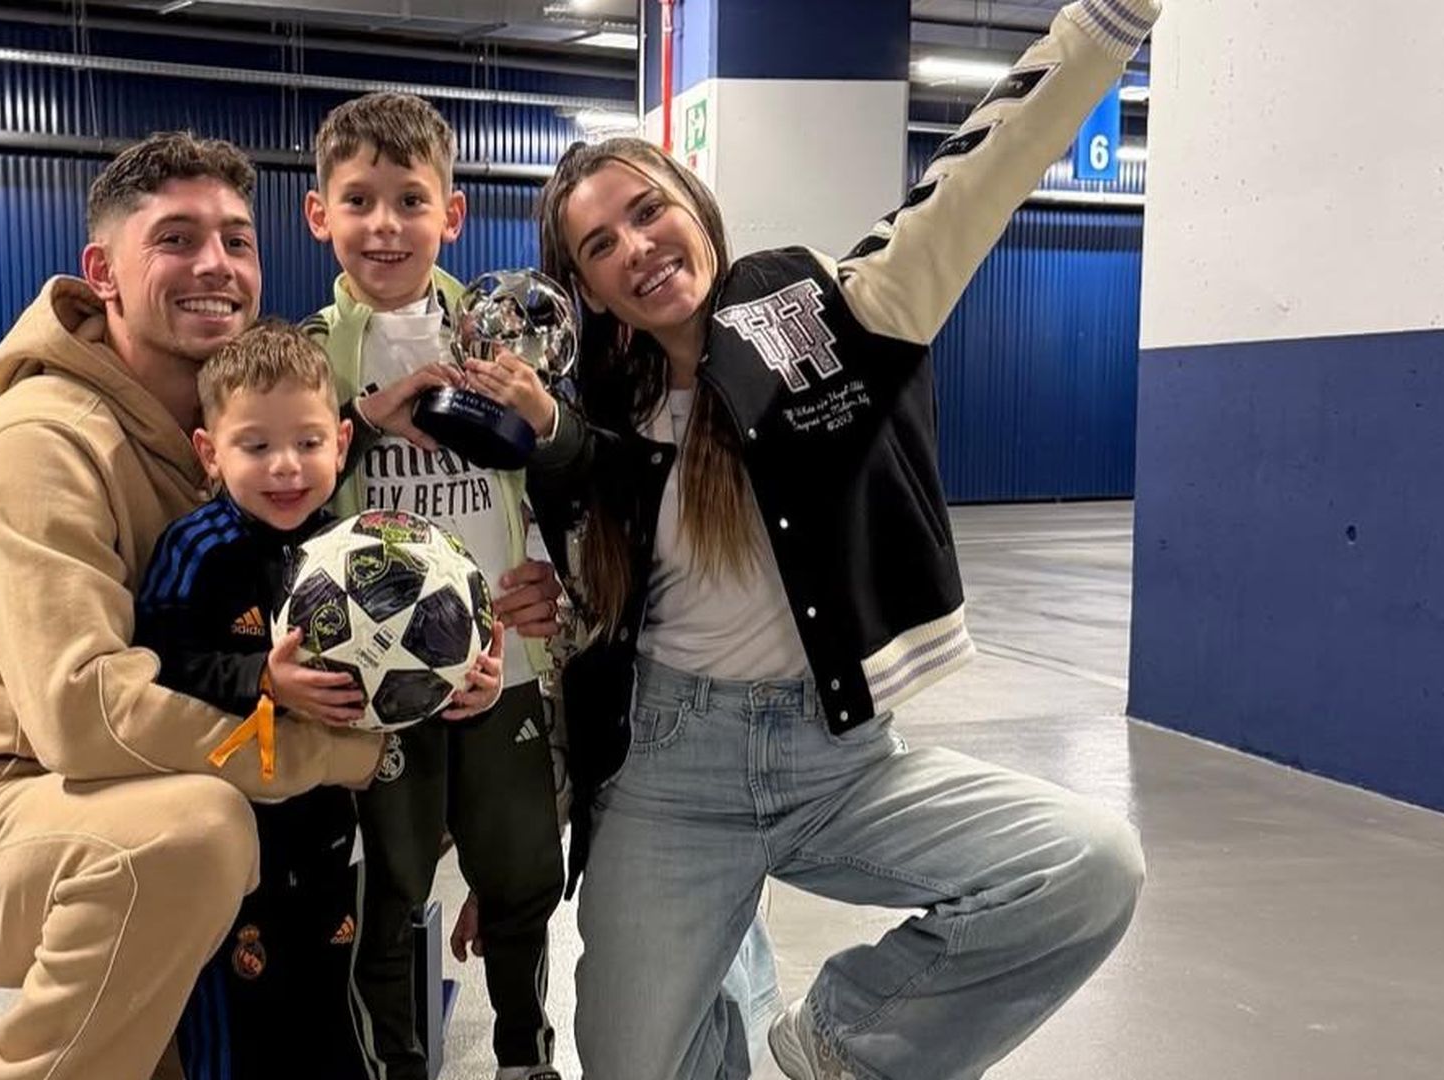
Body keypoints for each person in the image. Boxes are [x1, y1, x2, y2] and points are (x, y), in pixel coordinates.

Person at [470, 2, 1161, 1078]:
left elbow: (993, 159)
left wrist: (1107, 22)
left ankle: (829, 1046)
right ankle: (724, 945)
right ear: (588, 288)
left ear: (695, 205)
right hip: (669, 772)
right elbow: (613, 606)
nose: (637, 249)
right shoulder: (600, 428)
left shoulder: (848, 314)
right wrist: (554, 608)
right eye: (600, 245)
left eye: (648, 213)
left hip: (838, 759)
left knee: (1089, 864)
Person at [0, 133, 388, 1080]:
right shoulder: (40, 445)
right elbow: (87, 715)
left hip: (107, 801)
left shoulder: (240, 449)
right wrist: (333, 753)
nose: (216, 265)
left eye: (238, 239)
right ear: (104, 273)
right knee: (195, 836)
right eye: (176, 239)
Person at [132, 321, 503, 1079]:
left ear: (340, 443)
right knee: (235, 1039)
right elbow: (158, 666)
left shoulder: (359, 552)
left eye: (306, 443)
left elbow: (401, 680)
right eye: (256, 447)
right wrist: (262, 681)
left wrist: (468, 683)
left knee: (331, 1026)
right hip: (231, 857)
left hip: (332, 843)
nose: (286, 468)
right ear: (210, 454)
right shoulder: (194, 550)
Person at [301, 91, 566, 1080]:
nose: (384, 225)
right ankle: (396, 1066)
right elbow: (277, 494)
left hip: (509, 657)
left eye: (410, 200)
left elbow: (563, 483)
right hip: (378, 679)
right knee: (388, 886)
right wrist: (366, 417)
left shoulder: (501, 333)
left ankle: (523, 1054)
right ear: (319, 214)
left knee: (520, 878)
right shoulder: (303, 353)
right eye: (358, 200)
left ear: (451, 215)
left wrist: (557, 589)